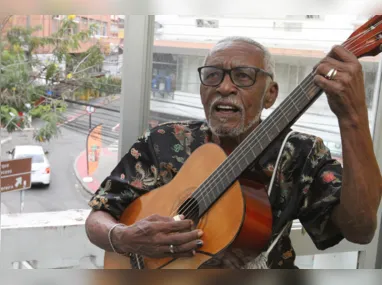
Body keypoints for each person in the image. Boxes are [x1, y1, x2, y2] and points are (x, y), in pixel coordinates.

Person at [85, 36, 382, 269]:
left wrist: (352, 117)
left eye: (243, 76)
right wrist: (126, 238)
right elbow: (99, 216)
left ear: (271, 94)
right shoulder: (164, 140)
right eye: (212, 75)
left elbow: (361, 230)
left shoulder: (300, 153)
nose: (224, 87)